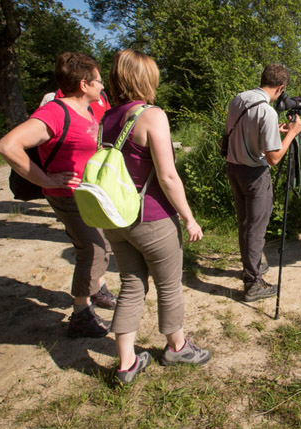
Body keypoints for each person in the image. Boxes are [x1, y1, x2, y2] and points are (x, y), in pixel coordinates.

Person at [102, 49, 210, 385]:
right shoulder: (151, 116)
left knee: (131, 285)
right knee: (168, 285)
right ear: (146, 80)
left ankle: (126, 362)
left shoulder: (107, 117)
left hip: (115, 218)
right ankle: (177, 347)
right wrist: (189, 217)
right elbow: (168, 176)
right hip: (151, 217)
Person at [0, 52, 116, 338]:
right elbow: (7, 146)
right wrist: (46, 179)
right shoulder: (54, 112)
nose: (103, 86)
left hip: (90, 194)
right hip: (68, 195)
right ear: (84, 84)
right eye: (99, 81)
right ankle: (81, 315)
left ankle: (96, 288)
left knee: (103, 244)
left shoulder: (90, 108)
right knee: (93, 249)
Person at [225, 63, 301, 302]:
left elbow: (242, 132)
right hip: (254, 175)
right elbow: (274, 158)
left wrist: (272, 131)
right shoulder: (267, 112)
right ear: (281, 88)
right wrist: (292, 133)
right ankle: (253, 283)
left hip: (234, 169)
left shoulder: (240, 99)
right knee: (256, 230)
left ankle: (251, 268)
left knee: (245, 223)